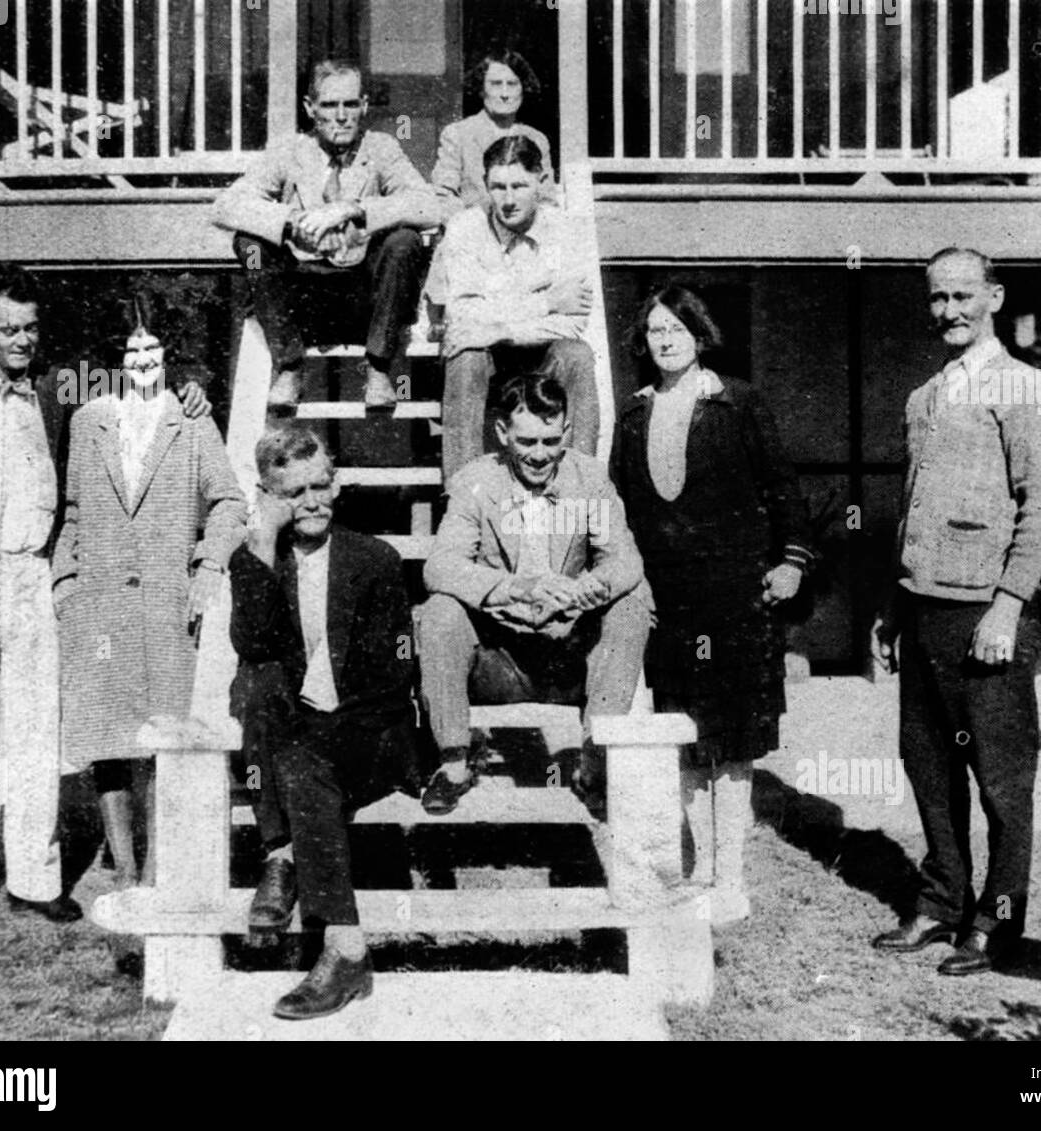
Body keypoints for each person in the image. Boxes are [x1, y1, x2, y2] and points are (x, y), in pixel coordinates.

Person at [0, 266, 209, 942]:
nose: (20, 339)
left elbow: (142, 387)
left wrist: (193, 393)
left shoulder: (53, 395)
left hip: (33, 578)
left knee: (36, 729)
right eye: (7, 328)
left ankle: (34, 880)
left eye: (31, 327)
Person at [871, 247, 1041, 975]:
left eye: (961, 296)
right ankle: (941, 901)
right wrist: (894, 605)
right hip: (924, 606)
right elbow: (912, 514)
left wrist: (1007, 606)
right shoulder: (925, 396)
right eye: (936, 298)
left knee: (1001, 776)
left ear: (994, 297)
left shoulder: (1025, 390)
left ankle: (998, 917)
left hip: (989, 613)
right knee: (927, 762)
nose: (947, 310)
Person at [610, 285, 813, 926]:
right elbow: (622, 507)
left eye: (676, 328)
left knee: (732, 741)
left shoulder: (738, 402)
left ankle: (731, 878)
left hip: (738, 596)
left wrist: (792, 561)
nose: (664, 340)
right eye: (654, 331)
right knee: (688, 737)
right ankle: (699, 871)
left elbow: (783, 486)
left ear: (699, 335)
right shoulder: (634, 414)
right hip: (668, 602)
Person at [52, 290, 246, 899]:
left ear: (169, 356)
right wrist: (66, 585)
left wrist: (209, 563)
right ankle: (126, 872)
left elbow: (230, 502)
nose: (141, 361)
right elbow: (74, 512)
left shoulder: (191, 419)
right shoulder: (89, 422)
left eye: (152, 349)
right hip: (101, 605)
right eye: (131, 351)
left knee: (165, 739)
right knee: (108, 743)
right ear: (116, 359)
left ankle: (162, 873)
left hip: (168, 601)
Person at [228, 422, 418, 1020]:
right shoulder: (258, 559)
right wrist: (261, 539)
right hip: (299, 740)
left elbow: (391, 684)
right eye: (292, 493)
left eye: (321, 486)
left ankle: (281, 860)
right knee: (256, 681)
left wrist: (319, 739)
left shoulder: (375, 559)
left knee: (301, 761)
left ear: (336, 485)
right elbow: (253, 643)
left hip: (372, 737)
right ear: (268, 497)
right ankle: (342, 943)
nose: (311, 502)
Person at [418, 373, 650, 817]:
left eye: (550, 440)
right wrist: (513, 588)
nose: (540, 455)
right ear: (502, 433)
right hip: (499, 656)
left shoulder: (590, 480)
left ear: (565, 431)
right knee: (440, 611)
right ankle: (452, 764)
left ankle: (594, 763)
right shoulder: (475, 482)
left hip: (569, 655)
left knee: (633, 601)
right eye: (526, 441)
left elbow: (625, 563)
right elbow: (440, 566)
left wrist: (587, 589)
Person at [211, 59, 440, 409]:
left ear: (364, 106)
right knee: (250, 244)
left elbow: (429, 205)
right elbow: (225, 206)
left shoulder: (381, 149)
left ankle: (379, 368)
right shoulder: (289, 152)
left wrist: (355, 209)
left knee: (404, 241)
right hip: (305, 302)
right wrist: (291, 220)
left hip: (366, 302)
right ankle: (289, 366)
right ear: (310, 108)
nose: (341, 116)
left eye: (350, 104)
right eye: (330, 105)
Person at [425, 135, 599, 482]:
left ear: (541, 182)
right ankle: (463, 491)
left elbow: (574, 322)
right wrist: (546, 301)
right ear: (485, 185)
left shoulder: (565, 231)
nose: (507, 199)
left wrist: (501, 327)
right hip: (485, 360)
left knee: (577, 355)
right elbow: (462, 317)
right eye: (497, 187)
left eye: (519, 185)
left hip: (541, 356)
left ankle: (580, 484)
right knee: (466, 353)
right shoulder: (465, 228)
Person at [431, 48, 556, 217]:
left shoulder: (536, 139)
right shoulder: (458, 135)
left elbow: (546, 200)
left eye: (512, 84)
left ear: (523, 89)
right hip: (474, 232)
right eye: (496, 84)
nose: (505, 94)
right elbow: (443, 196)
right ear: (482, 89)